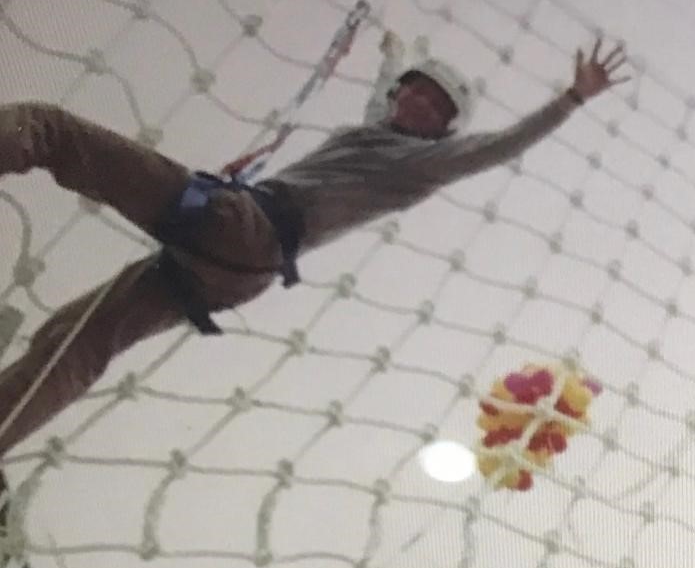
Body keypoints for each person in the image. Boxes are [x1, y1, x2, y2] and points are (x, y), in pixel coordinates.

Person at [0, 29, 628, 454]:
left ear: (444, 129)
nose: (419, 104)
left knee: (53, 131)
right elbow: (382, 90)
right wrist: (393, 45)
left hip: (244, 228)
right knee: (74, 340)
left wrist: (572, 98)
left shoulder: (422, 164)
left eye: (436, 107)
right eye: (414, 90)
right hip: (238, 271)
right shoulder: (370, 131)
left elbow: (501, 147)